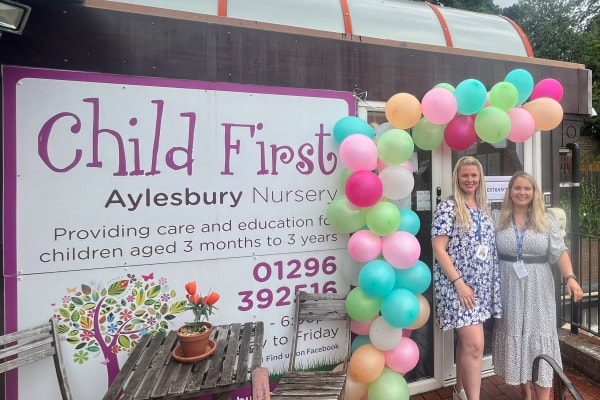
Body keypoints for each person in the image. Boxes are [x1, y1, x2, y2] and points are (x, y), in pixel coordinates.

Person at [492, 172, 583, 400]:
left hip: (538, 285)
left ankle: (543, 397)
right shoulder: (497, 217)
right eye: (517, 188)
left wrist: (570, 277)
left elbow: (559, 251)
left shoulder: (546, 219)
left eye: (527, 189)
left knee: (539, 337)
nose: (522, 192)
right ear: (510, 192)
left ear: (534, 193)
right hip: (508, 285)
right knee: (517, 334)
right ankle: (526, 394)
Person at [432, 156, 502, 400]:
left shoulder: (484, 209)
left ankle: (458, 390)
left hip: (480, 288)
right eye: (465, 175)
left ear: (480, 177)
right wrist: (459, 284)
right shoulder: (448, 208)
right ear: (457, 178)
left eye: (474, 175)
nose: (470, 180)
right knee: (475, 346)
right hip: (458, 286)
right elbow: (439, 249)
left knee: (466, 342)